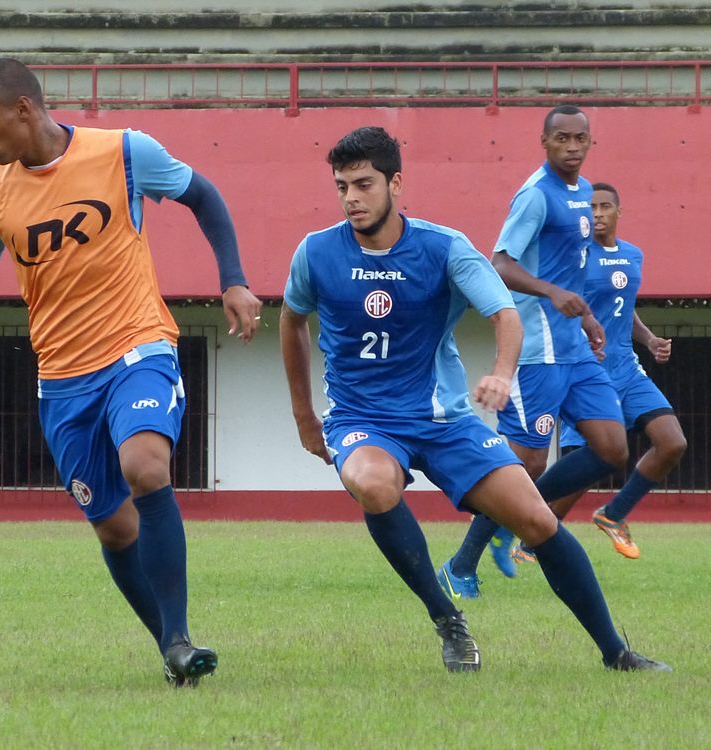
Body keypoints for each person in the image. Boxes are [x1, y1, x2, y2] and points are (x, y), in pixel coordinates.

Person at [279, 125, 669, 672]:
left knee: (537, 521)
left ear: (396, 183)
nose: (350, 198)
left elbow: (504, 314)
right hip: (363, 418)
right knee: (373, 482)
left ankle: (616, 652)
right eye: (341, 186)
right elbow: (291, 319)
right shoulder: (316, 253)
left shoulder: (443, 247)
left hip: (445, 419)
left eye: (363, 184)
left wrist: (504, 373)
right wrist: (303, 417)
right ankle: (448, 618)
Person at [0, 58, 263, 687]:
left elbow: (204, 196)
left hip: (138, 346)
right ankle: (169, 650)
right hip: (61, 375)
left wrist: (233, 281)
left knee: (146, 467)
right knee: (113, 526)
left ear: (24, 110)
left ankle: (180, 638)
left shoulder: (126, 152)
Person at [438, 105, 632, 590]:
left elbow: (572, 268)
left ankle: (515, 519)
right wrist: (551, 293)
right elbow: (498, 264)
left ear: (590, 143)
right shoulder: (535, 196)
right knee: (526, 464)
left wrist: (586, 314)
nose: (571, 147)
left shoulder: (585, 193)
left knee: (612, 449)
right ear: (544, 142)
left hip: (575, 350)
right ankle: (462, 564)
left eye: (579, 139)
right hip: (537, 353)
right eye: (561, 139)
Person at [531, 183, 686, 559]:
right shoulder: (576, 258)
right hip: (590, 373)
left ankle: (614, 514)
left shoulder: (633, 255)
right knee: (580, 472)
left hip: (628, 371)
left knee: (672, 443)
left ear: (619, 212)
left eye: (604, 207)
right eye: (591, 208)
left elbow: (623, 306)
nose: (597, 213)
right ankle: (529, 537)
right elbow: (564, 307)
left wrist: (648, 340)